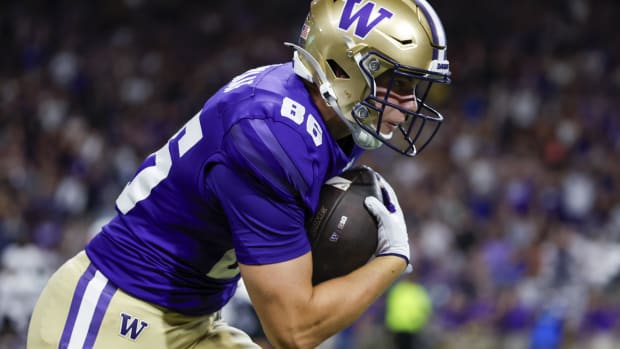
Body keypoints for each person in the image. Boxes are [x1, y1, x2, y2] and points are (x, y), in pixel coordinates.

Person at [26, 0, 451, 348]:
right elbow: (294, 330)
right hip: (116, 313)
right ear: (343, 68)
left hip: (191, 319)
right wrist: (393, 258)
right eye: (395, 82)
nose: (410, 104)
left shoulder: (327, 113)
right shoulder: (272, 135)